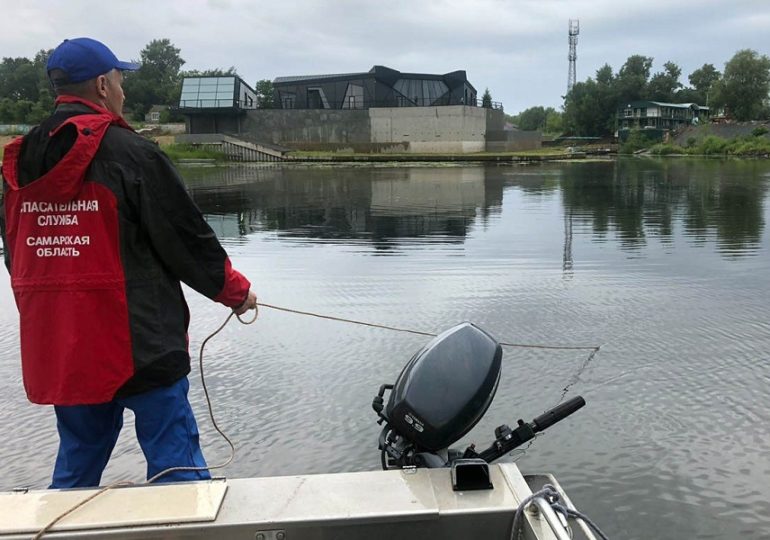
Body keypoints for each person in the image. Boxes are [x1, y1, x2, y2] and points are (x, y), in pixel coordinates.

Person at [0, 37, 257, 488]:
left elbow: (17, 252)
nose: (123, 91)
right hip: (142, 343)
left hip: (66, 343)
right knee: (175, 464)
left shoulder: (22, 161)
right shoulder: (132, 153)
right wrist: (236, 293)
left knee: (77, 465)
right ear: (102, 85)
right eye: (119, 80)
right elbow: (186, 239)